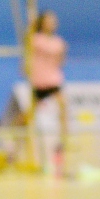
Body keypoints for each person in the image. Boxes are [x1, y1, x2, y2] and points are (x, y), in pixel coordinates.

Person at [26, 9, 68, 157]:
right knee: (28, 114)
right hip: (38, 81)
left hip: (53, 80)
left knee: (63, 107)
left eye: (53, 21)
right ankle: (16, 136)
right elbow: (27, 48)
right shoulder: (35, 39)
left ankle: (63, 141)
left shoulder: (59, 42)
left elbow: (61, 61)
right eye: (48, 21)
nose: (52, 23)